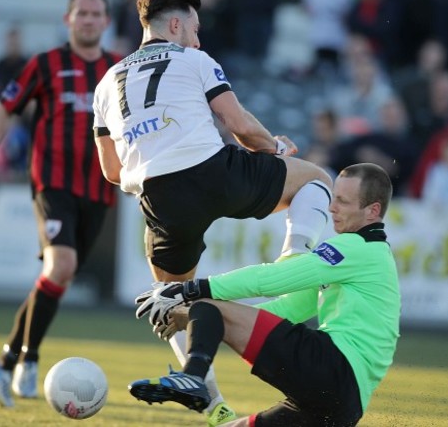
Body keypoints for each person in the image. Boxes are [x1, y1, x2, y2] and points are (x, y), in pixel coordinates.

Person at [92, 0, 333, 424]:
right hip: (213, 172)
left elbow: (110, 170)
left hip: (159, 196)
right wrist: (275, 147)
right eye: (197, 30)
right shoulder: (195, 61)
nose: (200, 41)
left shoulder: (107, 83)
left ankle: (213, 404)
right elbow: (240, 127)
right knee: (316, 179)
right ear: (177, 25)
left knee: (167, 301)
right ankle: (295, 267)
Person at [130, 163, 400, 427]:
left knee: (207, 302)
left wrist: (193, 289)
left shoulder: (357, 248)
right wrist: (208, 322)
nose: (332, 207)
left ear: (372, 211)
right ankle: (194, 380)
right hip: (341, 405)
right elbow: (294, 307)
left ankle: (194, 378)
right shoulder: (371, 254)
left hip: (333, 369)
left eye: (342, 201)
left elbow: (275, 279)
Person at [0, 0, 122, 408]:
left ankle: (5, 360)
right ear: (68, 19)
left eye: (95, 14)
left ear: (106, 22)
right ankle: (30, 358)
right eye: (82, 14)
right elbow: (4, 107)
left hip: (99, 188)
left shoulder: (118, 70)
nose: (88, 20)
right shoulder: (45, 64)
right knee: (63, 264)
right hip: (52, 182)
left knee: (59, 277)